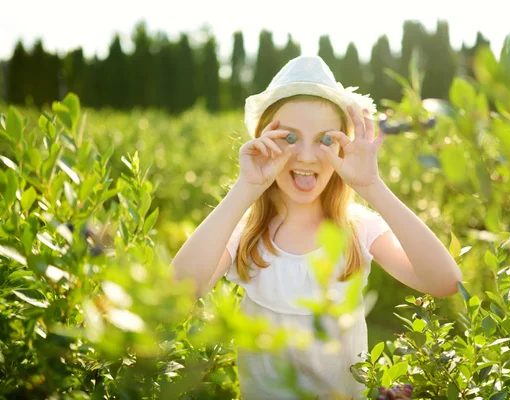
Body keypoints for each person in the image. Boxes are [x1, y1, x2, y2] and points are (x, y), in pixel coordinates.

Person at [171, 55, 463, 399]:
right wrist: (246, 188)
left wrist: (372, 187)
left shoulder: (358, 229)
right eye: (289, 138)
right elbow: (178, 292)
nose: (307, 156)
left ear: (344, 145)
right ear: (263, 140)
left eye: (326, 140)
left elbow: (446, 282)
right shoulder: (244, 233)